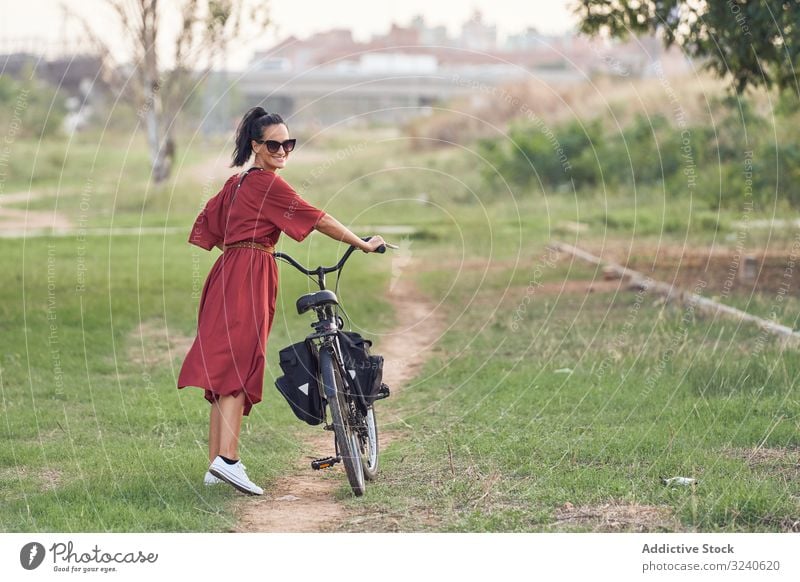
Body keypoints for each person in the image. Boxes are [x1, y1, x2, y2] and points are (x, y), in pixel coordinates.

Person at [177, 106, 385, 495]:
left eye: (289, 143)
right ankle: (230, 461)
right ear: (256, 146)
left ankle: (215, 464)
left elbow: (208, 225)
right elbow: (318, 218)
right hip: (248, 274)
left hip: (226, 272)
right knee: (240, 362)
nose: (283, 151)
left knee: (226, 364)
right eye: (274, 144)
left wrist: (239, 245)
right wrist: (363, 243)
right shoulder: (266, 184)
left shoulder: (235, 185)